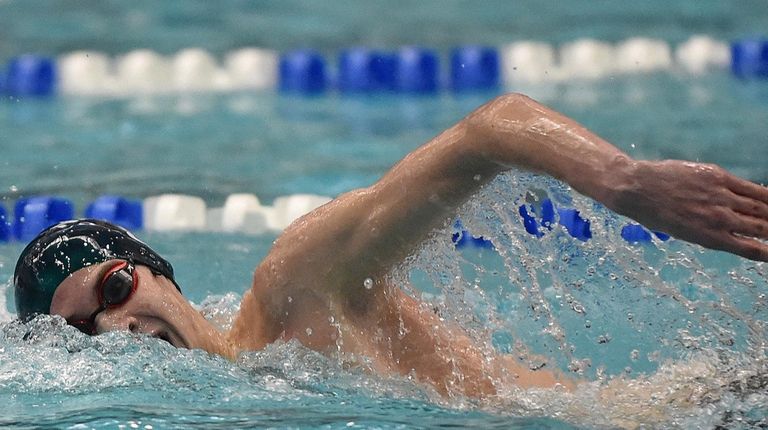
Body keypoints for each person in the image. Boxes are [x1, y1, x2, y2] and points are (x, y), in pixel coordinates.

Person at [13, 93, 768, 398]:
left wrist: (625, 182)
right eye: (82, 331)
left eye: (113, 291)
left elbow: (491, 129)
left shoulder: (294, 287)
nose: (115, 326)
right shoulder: (236, 385)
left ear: (155, 272)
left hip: (690, 408)